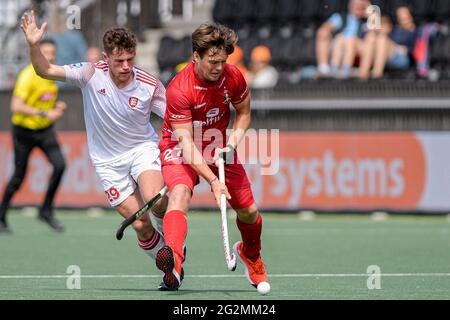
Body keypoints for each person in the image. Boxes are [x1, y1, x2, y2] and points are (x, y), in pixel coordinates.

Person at [19, 10, 168, 275]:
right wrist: (34, 45)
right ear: (105, 58)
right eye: (119, 60)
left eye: (130, 59)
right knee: (140, 225)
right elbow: (44, 70)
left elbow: (173, 118)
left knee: (157, 201)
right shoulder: (89, 73)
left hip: (141, 149)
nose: (125, 66)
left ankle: (172, 240)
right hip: (108, 163)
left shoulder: (149, 84)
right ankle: (169, 267)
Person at [157, 22, 268, 291]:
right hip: (180, 144)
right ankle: (174, 261)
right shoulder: (179, 89)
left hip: (218, 145)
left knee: (249, 212)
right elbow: (186, 144)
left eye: (223, 61)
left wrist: (231, 144)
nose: (218, 67)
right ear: (196, 55)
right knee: (180, 193)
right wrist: (213, 181)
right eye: (212, 61)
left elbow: (243, 114)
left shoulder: (233, 77)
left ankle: (251, 256)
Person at [0, 38, 66, 234]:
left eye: (52, 52)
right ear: (36, 53)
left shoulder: (51, 74)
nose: (50, 56)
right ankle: (1, 216)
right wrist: (45, 113)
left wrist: (56, 107)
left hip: (45, 131)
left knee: (60, 165)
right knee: (19, 176)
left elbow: (44, 101)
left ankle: (45, 210)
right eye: (45, 52)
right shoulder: (28, 75)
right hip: (24, 132)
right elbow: (16, 106)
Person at [359, 6, 417, 80]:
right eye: (399, 15)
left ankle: (377, 74)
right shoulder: (395, 30)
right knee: (371, 36)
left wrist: (407, 49)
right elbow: (364, 35)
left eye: (404, 14)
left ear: (410, 15)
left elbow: (416, 50)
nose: (401, 17)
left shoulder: (415, 31)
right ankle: (363, 74)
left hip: (401, 57)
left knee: (382, 39)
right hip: (385, 53)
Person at [316, 0, 370, 78]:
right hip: (339, 44)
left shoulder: (367, 20)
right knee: (335, 37)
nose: (358, 7)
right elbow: (326, 27)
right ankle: (326, 69)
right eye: (356, 5)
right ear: (350, 6)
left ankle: (345, 69)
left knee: (350, 40)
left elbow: (380, 30)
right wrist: (326, 30)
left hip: (358, 46)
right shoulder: (341, 17)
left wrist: (370, 14)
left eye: (361, 5)